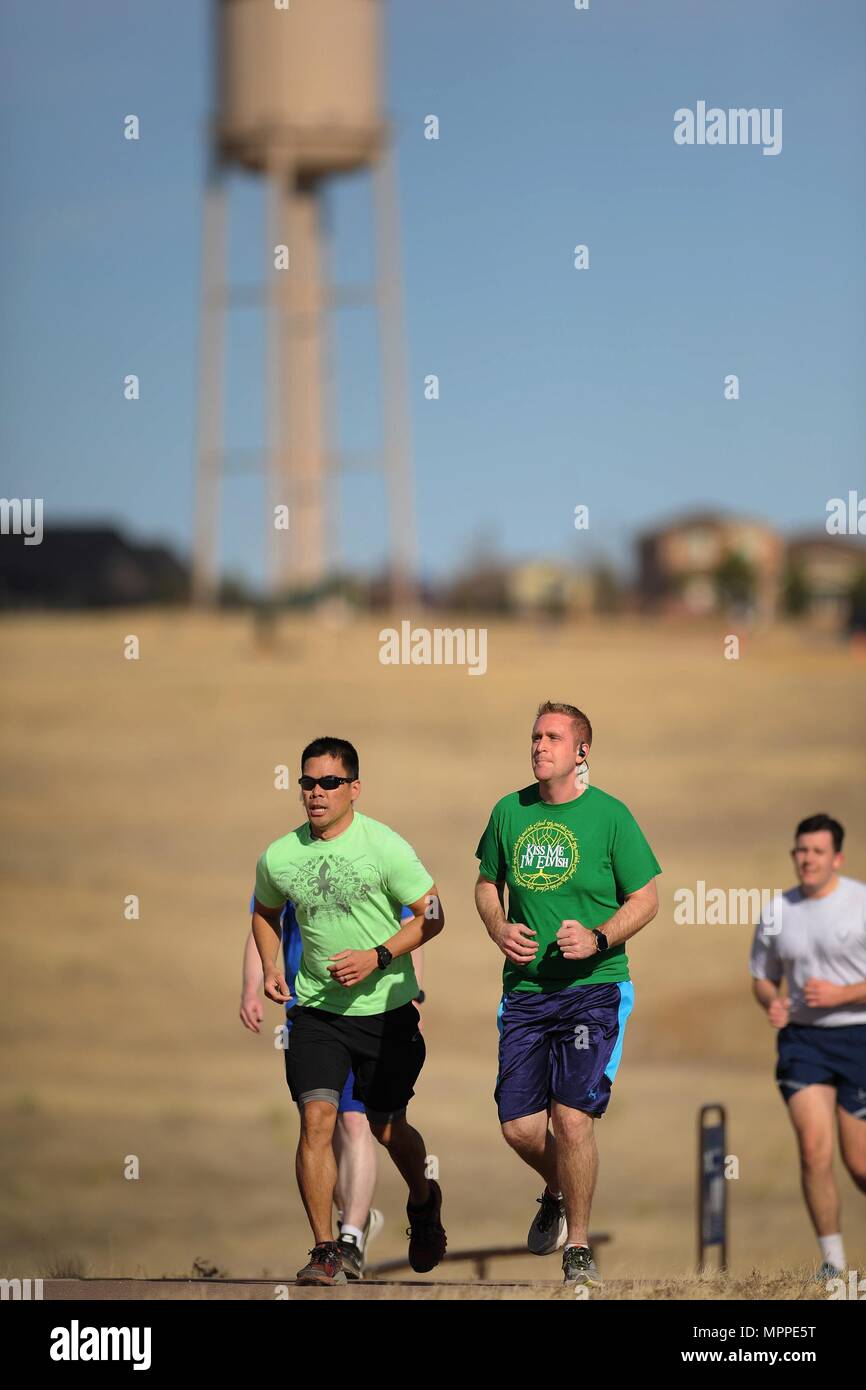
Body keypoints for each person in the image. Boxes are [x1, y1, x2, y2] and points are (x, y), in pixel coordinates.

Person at [474, 701, 660, 1287]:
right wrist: (499, 926)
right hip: (527, 992)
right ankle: (554, 1190)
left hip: (594, 990)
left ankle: (577, 1248)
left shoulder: (610, 816)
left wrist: (600, 936)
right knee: (520, 1128)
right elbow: (484, 884)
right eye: (534, 736)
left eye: (552, 737)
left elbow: (647, 897)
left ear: (581, 751)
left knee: (572, 1119)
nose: (539, 746)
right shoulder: (509, 811)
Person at [252, 735, 446, 1286]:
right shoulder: (280, 855)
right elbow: (265, 911)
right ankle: (325, 1248)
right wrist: (271, 966)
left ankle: (423, 1200)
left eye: (329, 783)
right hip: (315, 1011)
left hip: (386, 1012)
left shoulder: (385, 846)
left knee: (387, 1128)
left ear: (353, 789)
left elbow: (433, 913)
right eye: (307, 782)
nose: (316, 793)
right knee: (317, 1119)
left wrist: (378, 955)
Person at [240, 897, 421, 1277]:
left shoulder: (372, 858)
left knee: (358, 1123)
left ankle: (351, 1237)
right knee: (319, 1124)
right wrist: (250, 990)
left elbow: (412, 927)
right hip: (309, 1016)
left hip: (369, 1014)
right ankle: (349, 1218)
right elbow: (263, 929)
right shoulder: (288, 866)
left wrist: (413, 994)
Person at [750, 813, 866, 1280]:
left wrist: (842, 995)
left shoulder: (860, 903)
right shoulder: (778, 911)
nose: (807, 859)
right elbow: (762, 975)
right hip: (803, 1043)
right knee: (813, 1149)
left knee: (858, 1163)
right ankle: (833, 1264)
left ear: (836, 857)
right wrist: (771, 1004)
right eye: (801, 850)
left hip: (858, 1036)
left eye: (817, 851)